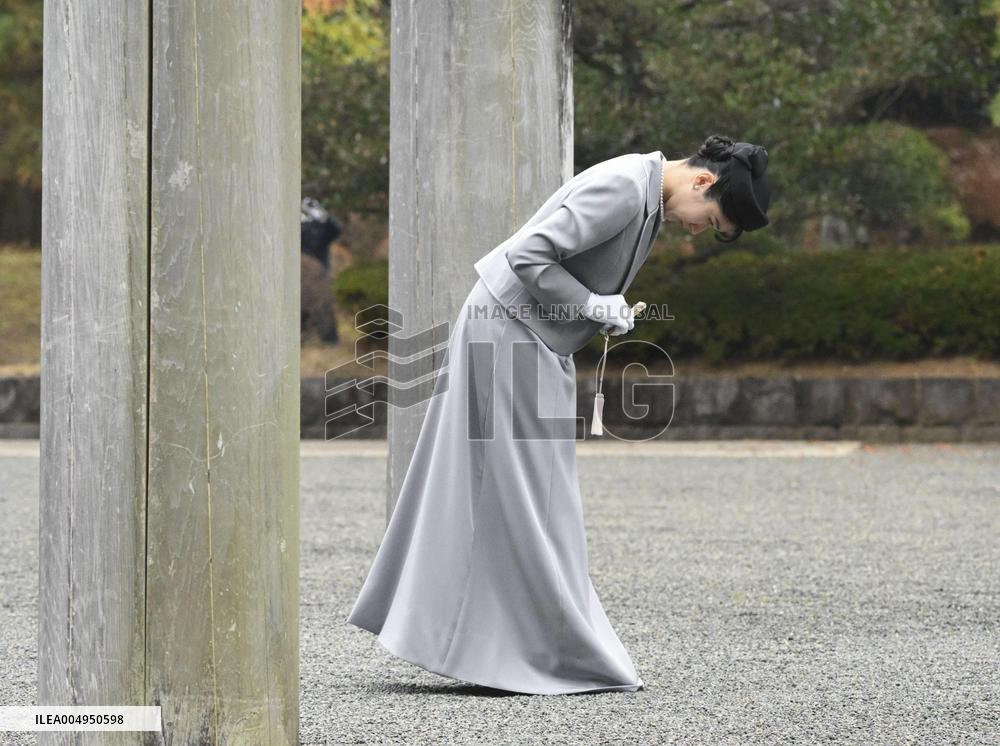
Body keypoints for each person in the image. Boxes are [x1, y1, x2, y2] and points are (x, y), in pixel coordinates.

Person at [346, 134, 772, 694]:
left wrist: (597, 308)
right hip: (506, 335)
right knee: (519, 493)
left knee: (530, 494)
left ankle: (521, 646)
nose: (699, 231)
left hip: (526, 338)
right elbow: (526, 254)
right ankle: (530, 649)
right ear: (701, 182)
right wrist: (592, 304)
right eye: (711, 220)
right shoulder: (625, 187)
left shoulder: (642, 192)